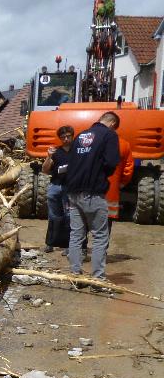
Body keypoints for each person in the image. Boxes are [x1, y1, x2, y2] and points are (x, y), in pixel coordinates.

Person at [64, 111, 121, 282]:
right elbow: (112, 162)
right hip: (93, 192)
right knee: (100, 236)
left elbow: (71, 162)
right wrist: (102, 174)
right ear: (112, 124)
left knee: (76, 235)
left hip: (73, 192)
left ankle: (75, 275)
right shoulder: (109, 135)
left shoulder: (80, 135)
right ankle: (97, 279)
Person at [41, 125, 74, 252]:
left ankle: (68, 246)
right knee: (53, 216)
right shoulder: (56, 152)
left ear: (72, 136)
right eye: (63, 137)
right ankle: (50, 243)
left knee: (69, 217)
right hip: (55, 186)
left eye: (68, 136)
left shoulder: (77, 151)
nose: (66, 139)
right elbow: (45, 170)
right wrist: (49, 156)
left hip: (70, 187)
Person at [105, 137, 134, 240]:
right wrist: (122, 183)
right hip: (110, 193)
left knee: (83, 223)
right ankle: (102, 248)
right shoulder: (123, 144)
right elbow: (128, 167)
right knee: (105, 226)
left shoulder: (89, 139)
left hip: (87, 191)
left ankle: (82, 247)